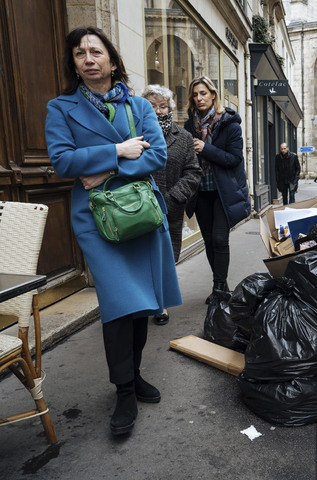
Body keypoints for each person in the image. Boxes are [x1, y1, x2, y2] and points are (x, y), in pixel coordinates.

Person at [45, 27, 182, 436]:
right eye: (80, 54)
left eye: (96, 51)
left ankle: (134, 374)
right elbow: (62, 161)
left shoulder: (138, 105)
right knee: (118, 302)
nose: (88, 59)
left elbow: (157, 154)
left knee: (140, 302)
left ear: (111, 59)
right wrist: (119, 150)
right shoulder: (61, 107)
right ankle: (124, 389)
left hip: (139, 212)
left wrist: (106, 168)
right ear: (73, 64)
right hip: (97, 219)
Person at [184, 76, 251, 303]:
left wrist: (205, 148)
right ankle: (221, 285)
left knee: (221, 239)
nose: (200, 98)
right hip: (201, 190)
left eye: (204, 93)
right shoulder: (189, 125)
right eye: (195, 94)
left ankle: (218, 287)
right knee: (209, 239)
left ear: (213, 95)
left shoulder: (229, 123)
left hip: (224, 191)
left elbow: (234, 159)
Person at [141, 85, 201, 325]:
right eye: (151, 106)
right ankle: (145, 301)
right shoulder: (132, 135)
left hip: (170, 209)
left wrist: (174, 197)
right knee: (142, 258)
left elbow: (193, 172)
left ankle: (161, 304)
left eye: (162, 106)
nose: (157, 111)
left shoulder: (183, 138)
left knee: (167, 258)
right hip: (138, 209)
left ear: (170, 109)